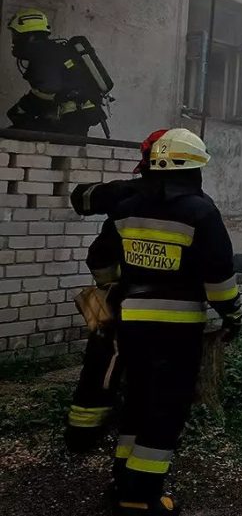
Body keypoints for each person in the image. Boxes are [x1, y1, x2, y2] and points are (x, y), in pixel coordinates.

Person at [88, 128, 242, 515]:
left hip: (131, 324)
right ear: (194, 168)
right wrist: (233, 315)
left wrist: (111, 288)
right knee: (166, 408)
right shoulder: (201, 212)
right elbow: (219, 278)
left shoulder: (126, 209)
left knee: (138, 401)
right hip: (176, 328)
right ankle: (140, 498)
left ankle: (122, 482)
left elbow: (99, 258)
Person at [64, 129, 168, 456]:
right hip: (167, 304)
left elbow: (83, 201)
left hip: (125, 297)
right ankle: (139, 431)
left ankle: (82, 435)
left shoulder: (128, 195)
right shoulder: (194, 203)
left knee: (104, 361)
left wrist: (107, 286)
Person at [6, 8, 106, 135]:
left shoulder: (46, 56)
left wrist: (25, 107)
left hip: (69, 122)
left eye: (16, 36)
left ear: (30, 37)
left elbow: (49, 89)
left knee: (14, 133)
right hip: (70, 120)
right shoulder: (51, 52)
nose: (13, 41)